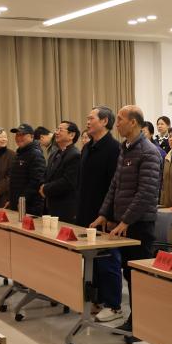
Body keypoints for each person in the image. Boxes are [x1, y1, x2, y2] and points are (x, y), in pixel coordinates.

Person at [91, 105, 162, 337]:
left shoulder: (148, 152)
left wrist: (126, 221)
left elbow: (146, 193)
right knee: (128, 273)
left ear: (133, 122)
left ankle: (141, 323)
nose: (117, 123)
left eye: (121, 119)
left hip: (140, 224)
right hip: (125, 223)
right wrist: (104, 213)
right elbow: (115, 185)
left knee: (138, 275)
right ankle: (137, 320)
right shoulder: (126, 148)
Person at [76, 106, 123, 323]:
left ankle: (113, 305)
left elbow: (116, 186)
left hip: (105, 215)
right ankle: (95, 299)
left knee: (108, 260)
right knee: (91, 260)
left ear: (104, 121)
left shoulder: (114, 149)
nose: (87, 121)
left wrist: (110, 215)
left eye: (91, 118)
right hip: (87, 211)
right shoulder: (88, 147)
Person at [40, 121, 81, 222]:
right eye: (56, 129)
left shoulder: (75, 155)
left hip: (65, 208)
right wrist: (42, 186)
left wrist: (45, 189)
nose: (56, 132)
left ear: (71, 135)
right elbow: (47, 175)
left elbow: (68, 182)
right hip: (50, 205)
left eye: (60, 130)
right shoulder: (54, 154)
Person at [8, 124, 46, 215]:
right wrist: (11, 200)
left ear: (32, 137)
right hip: (17, 204)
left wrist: (22, 200)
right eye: (17, 135)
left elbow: (36, 182)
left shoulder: (36, 154)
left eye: (22, 135)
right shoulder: (19, 153)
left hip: (30, 206)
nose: (18, 138)